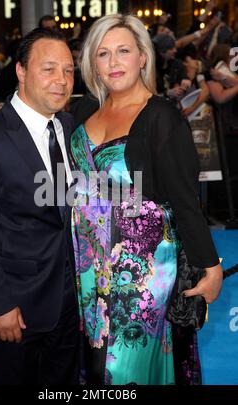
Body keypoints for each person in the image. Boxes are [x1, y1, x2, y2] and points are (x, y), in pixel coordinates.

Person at [69, 14, 223, 385]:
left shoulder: (162, 116)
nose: (113, 62)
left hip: (142, 272)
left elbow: (186, 200)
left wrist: (210, 266)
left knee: (129, 369)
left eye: (123, 51)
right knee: (92, 365)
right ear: (92, 62)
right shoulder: (83, 109)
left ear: (142, 56)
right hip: (87, 267)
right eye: (103, 54)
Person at [0, 28, 79, 385]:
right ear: (21, 72)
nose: (61, 81)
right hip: (17, 310)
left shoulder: (68, 128)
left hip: (72, 304)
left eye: (69, 71)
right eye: (49, 69)